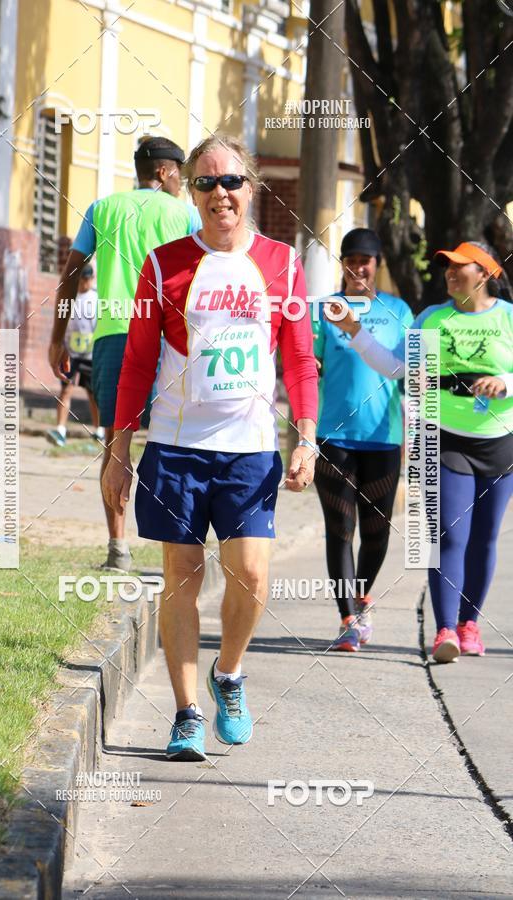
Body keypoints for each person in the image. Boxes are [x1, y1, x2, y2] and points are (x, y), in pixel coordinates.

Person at [103, 134, 319, 760]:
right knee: (181, 577)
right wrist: (119, 452)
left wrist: (306, 437)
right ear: (190, 191)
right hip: (176, 445)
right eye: (206, 183)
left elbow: (301, 360)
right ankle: (187, 712)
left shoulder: (281, 263)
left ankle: (228, 673)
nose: (221, 193)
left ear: (251, 187)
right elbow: (137, 364)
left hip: (250, 448)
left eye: (231, 181)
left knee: (251, 574)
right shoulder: (164, 263)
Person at [328, 241, 513, 663]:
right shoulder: (433, 318)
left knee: (484, 539)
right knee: (449, 534)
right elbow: (397, 367)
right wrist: (357, 333)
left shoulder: (508, 318)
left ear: (485, 273)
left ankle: (470, 624)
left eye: (459, 267)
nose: (449, 273)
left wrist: (505, 381)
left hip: (500, 439)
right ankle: (445, 630)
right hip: (445, 437)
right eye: (446, 266)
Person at [48, 136, 201, 571]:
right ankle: (179, 544)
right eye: (180, 175)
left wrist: (57, 336)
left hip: (113, 336)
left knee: (117, 446)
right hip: (172, 342)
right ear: (164, 172)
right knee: (177, 442)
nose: (183, 183)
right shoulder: (187, 214)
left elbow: (71, 274)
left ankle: (118, 549)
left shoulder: (102, 208)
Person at [312, 228, 413, 652]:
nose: (358, 266)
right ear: (342, 262)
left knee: (377, 534)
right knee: (340, 530)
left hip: (384, 437)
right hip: (334, 435)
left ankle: (362, 598)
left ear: (378, 263)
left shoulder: (400, 311)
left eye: (366, 259)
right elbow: (306, 364)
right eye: (350, 257)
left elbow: (410, 373)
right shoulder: (323, 310)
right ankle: (348, 618)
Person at [46, 264, 103, 447]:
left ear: (91, 279)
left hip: (90, 355)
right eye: (81, 279)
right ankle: (60, 430)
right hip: (70, 354)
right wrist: (59, 345)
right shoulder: (69, 299)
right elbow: (61, 325)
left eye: (87, 279)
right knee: (66, 390)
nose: (84, 283)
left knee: (93, 394)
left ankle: (99, 430)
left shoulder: (96, 300)